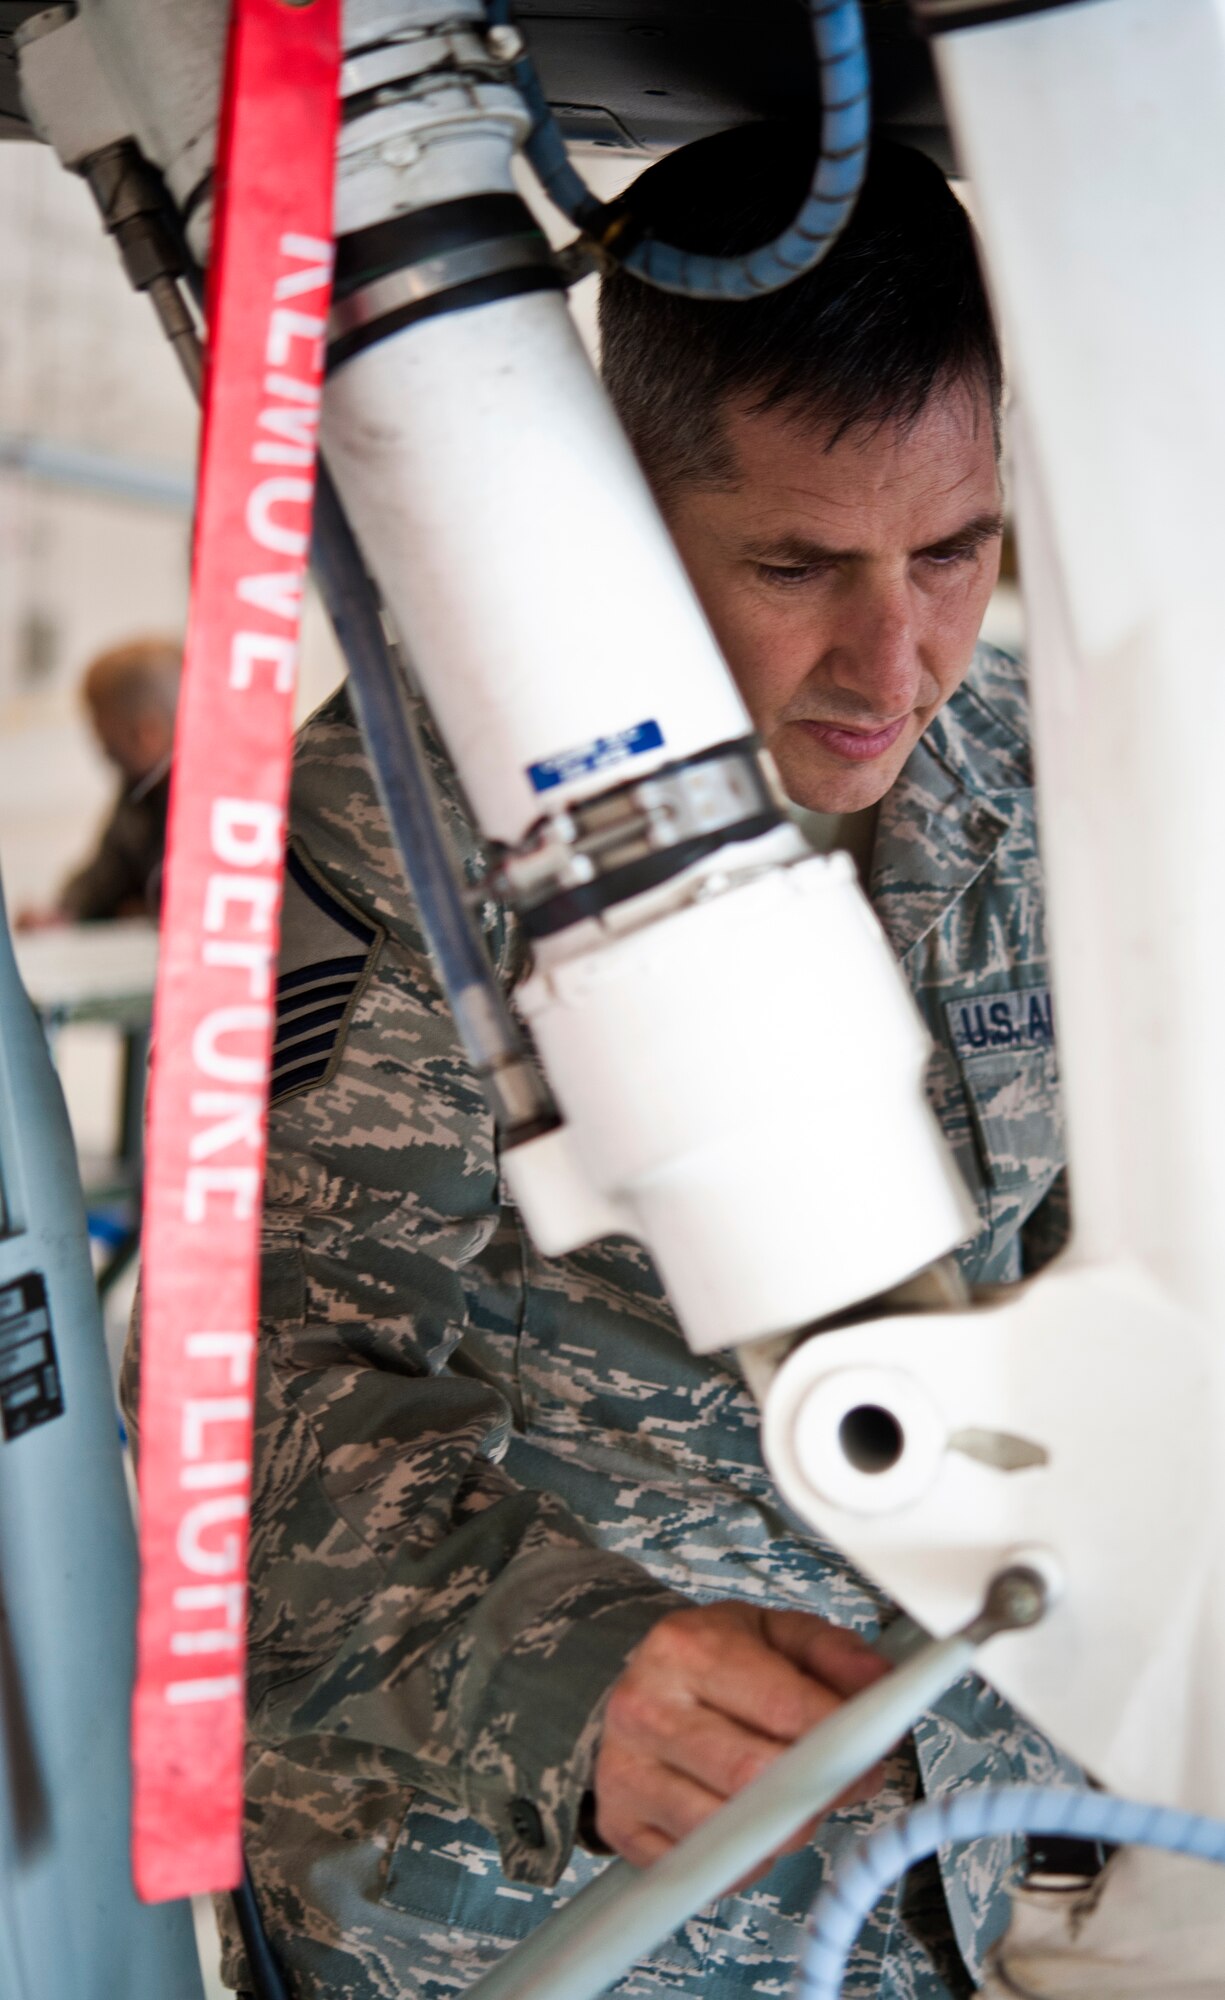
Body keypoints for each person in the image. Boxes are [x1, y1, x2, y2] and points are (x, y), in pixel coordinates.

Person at [125, 132, 1071, 1998]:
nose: (897, 657)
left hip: (924, 1868)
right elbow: (243, 1395)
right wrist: (572, 1668)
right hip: (533, 1900)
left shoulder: (1034, 788)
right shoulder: (390, 828)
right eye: (797, 562)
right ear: (626, 520)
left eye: (954, 552)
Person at [20, 634, 180, 927]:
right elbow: (105, 873)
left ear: (146, 733)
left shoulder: (212, 805)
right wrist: (64, 913)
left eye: (101, 730)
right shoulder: (137, 793)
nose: (99, 746)